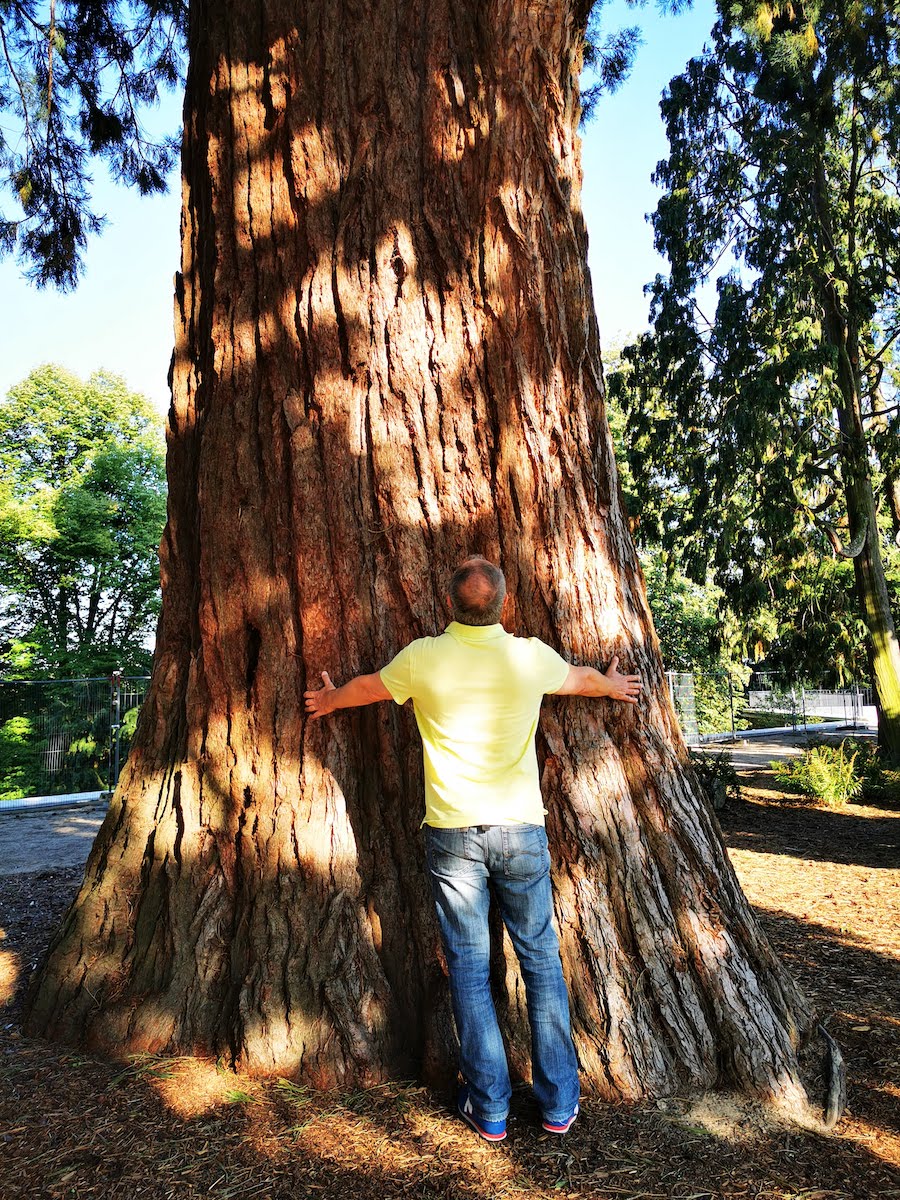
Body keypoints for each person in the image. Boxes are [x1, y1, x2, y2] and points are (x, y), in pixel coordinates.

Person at [304, 556, 641, 1142]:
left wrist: (330, 701)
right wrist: (613, 687)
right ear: (502, 603)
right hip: (520, 829)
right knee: (539, 960)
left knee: (468, 968)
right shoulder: (528, 655)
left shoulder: (424, 657)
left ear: (450, 602)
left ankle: (489, 1109)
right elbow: (582, 679)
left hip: (455, 834)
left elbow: (366, 689)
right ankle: (559, 1103)